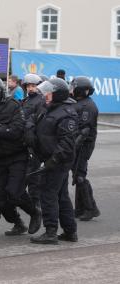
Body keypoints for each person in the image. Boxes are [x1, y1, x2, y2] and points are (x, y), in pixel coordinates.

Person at [0, 75, 42, 236]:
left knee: (14, 193)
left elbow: (17, 129)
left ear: (0, 93)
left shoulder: (13, 106)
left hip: (17, 155)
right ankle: (17, 223)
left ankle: (34, 212)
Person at [28, 78, 78, 244]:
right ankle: (70, 232)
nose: (45, 95)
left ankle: (50, 232)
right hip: (49, 158)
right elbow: (33, 119)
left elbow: (66, 143)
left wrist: (52, 161)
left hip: (57, 162)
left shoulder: (66, 113)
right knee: (62, 196)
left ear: (58, 94)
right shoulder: (50, 108)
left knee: (47, 194)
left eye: (49, 92)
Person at [70, 76, 100, 221]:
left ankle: (91, 208)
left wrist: (73, 147)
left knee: (80, 176)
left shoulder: (87, 106)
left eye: (73, 87)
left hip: (83, 146)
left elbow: (84, 131)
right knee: (77, 175)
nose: (71, 90)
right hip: (78, 145)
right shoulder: (80, 103)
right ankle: (80, 208)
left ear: (80, 90)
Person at [22, 74, 45, 209]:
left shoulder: (40, 101)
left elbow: (38, 121)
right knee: (26, 172)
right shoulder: (25, 100)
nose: (30, 88)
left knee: (33, 174)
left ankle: (35, 202)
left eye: (33, 86)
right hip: (25, 140)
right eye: (28, 86)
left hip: (34, 142)